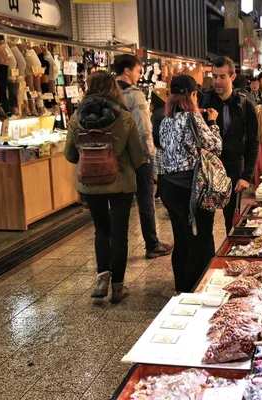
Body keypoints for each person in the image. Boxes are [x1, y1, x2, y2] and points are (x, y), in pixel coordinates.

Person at [64, 71, 145, 303]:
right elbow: (137, 157)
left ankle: (102, 279)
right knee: (119, 234)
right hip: (120, 183)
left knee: (101, 229)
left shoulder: (76, 118)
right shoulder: (126, 118)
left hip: (90, 183)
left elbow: (70, 154)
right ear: (113, 88)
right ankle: (118, 288)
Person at [159, 75, 222, 292]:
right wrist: (213, 122)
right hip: (192, 188)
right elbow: (215, 146)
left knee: (182, 237)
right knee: (200, 238)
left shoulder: (164, 120)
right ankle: (195, 287)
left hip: (170, 187)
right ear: (193, 95)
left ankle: (181, 285)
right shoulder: (193, 119)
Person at [114, 55, 173, 259]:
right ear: (128, 70)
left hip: (116, 158)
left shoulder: (109, 92)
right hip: (138, 156)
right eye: (138, 71)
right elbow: (143, 128)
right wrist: (149, 154)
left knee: (119, 206)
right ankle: (151, 244)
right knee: (145, 200)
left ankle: (116, 252)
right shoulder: (134, 94)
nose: (139, 76)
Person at [200, 56, 260, 234]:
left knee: (232, 224)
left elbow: (253, 143)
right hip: (208, 170)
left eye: (222, 77)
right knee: (204, 224)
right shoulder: (205, 101)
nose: (217, 81)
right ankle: (207, 259)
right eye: (214, 76)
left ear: (232, 77)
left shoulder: (245, 105)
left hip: (234, 170)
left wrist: (246, 176)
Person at [151, 88, 168, 199]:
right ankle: (160, 192)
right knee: (163, 173)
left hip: (160, 146)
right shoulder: (164, 112)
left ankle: (161, 193)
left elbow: (156, 133)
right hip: (165, 146)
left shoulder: (157, 114)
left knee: (162, 173)